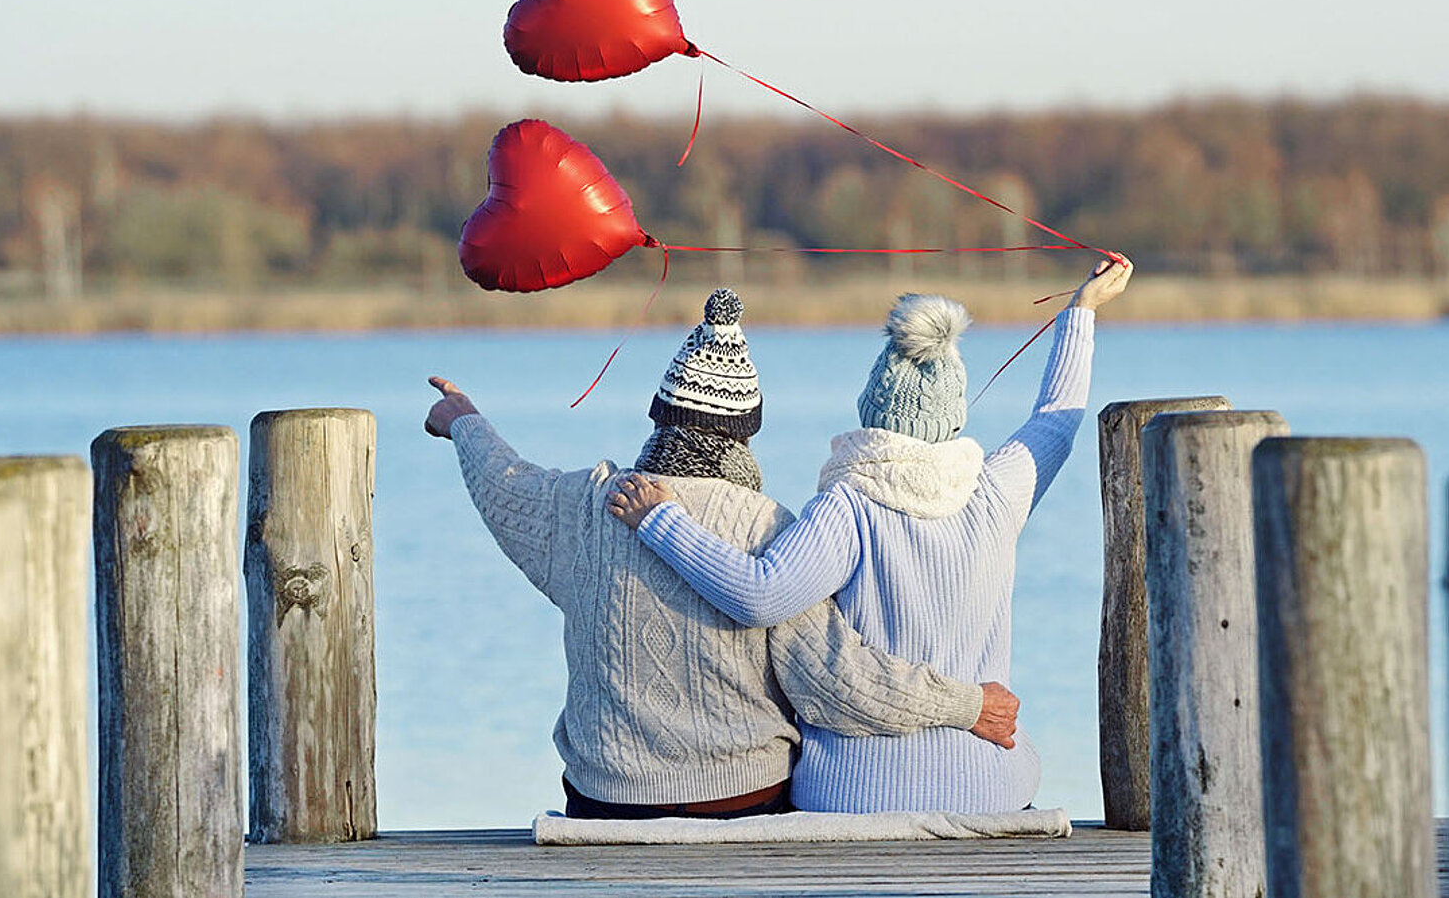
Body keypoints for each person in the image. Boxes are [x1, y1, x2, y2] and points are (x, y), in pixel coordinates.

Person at [424, 288, 1021, 820]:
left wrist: (463, 421)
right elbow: (835, 679)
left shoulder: (586, 503)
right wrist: (966, 705)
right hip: (740, 797)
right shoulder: (766, 525)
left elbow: (505, 484)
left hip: (607, 797)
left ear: (661, 414)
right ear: (744, 431)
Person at [609, 258, 1134, 813]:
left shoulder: (849, 506)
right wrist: (1082, 310)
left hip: (852, 794)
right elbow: (1056, 419)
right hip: (988, 785)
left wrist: (661, 521)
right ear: (954, 416)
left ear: (870, 408)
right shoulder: (997, 491)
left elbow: (759, 595)